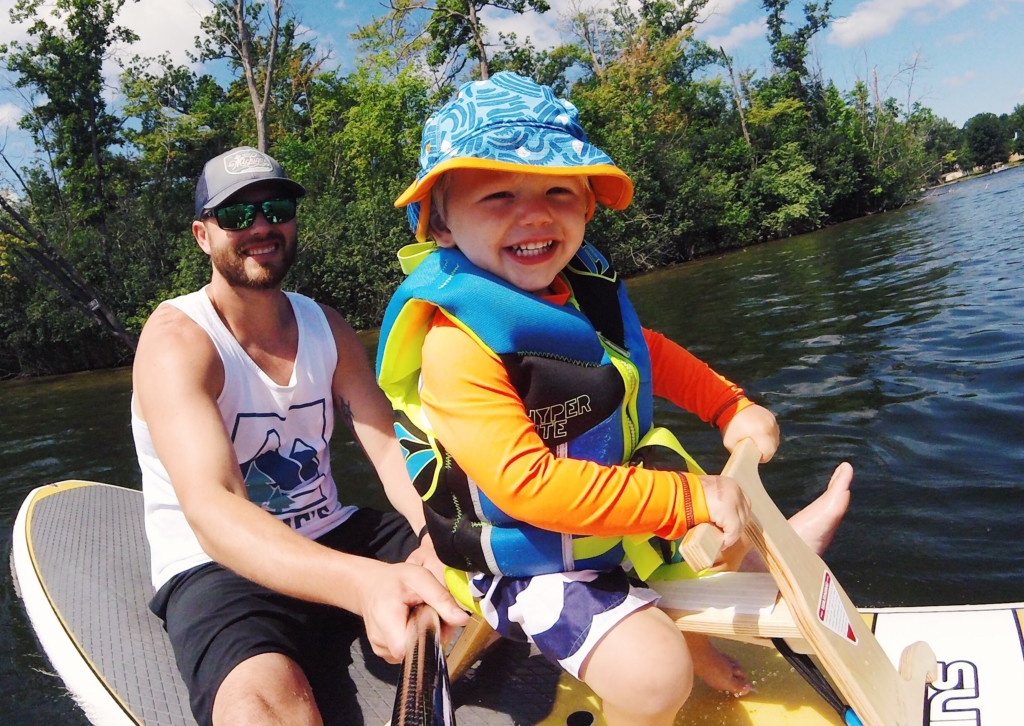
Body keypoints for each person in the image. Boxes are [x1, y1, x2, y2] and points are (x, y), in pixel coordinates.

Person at [376, 73, 853, 726]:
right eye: (498, 195)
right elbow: (525, 485)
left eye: (558, 191)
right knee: (657, 679)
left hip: (599, 518)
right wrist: (687, 501)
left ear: (587, 208)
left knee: (707, 511)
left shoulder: (571, 294)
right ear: (441, 224)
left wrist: (727, 406)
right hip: (528, 565)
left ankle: (759, 560)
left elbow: (643, 352)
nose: (535, 213)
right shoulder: (455, 346)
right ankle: (689, 632)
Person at [132, 146, 468, 726]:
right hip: (219, 563)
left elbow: (389, 448)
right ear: (202, 235)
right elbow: (215, 509)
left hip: (335, 530)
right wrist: (367, 586)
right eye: (236, 216)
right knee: (260, 709)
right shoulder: (177, 340)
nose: (260, 226)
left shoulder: (325, 325)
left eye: (275, 207)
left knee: (484, 555)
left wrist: (432, 535)